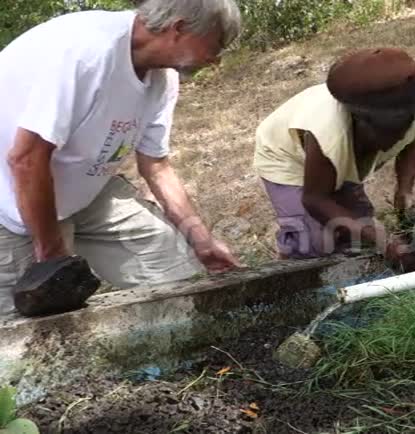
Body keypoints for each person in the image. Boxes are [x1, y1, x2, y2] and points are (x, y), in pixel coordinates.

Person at [0, 0, 243, 316]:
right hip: (11, 203)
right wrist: (52, 254)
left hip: (84, 189)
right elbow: (26, 159)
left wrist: (202, 239)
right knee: (34, 329)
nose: (216, 61)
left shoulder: (162, 79)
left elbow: (156, 165)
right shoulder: (85, 53)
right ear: (180, 28)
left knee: (172, 267)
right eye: (215, 46)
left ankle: (191, 350)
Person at [253, 47, 415, 272]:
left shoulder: (405, 107)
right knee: (312, 244)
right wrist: (384, 240)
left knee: (356, 232)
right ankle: (288, 272)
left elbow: (410, 147)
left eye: (401, 129)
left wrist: (405, 191)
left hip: (335, 160)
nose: (396, 137)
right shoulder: (328, 134)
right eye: (387, 133)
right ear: (360, 122)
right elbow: (315, 199)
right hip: (285, 155)